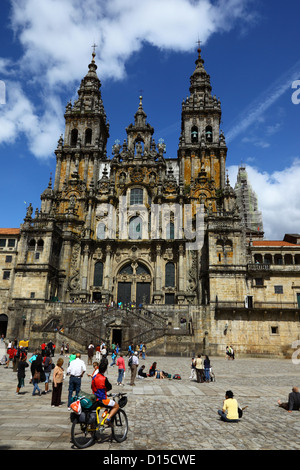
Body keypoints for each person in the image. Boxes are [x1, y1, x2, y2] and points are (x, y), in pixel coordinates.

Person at [91, 359, 119, 426]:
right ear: (105, 370)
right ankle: (108, 419)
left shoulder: (94, 377)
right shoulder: (104, 379)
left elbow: (92, 387)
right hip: (102, 400)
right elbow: (109, 387)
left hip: (94, 399)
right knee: (116, 406)